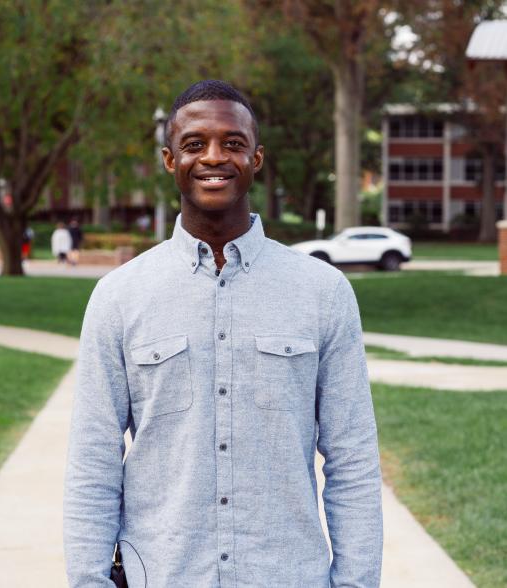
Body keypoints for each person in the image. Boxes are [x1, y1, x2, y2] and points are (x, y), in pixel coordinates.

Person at [63, 80, 383, 588]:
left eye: (233, 143)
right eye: (195, 144)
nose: (214, 157)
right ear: (171, 160)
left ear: (256, 159)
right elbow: (93, 464)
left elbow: (354, 462)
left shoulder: (323, 292)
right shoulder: (118, 297)